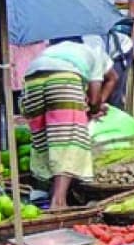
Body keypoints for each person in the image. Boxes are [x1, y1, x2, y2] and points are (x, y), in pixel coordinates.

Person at [22, 39, 119, 209]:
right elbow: (96, 97)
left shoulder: (60, 50)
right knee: (68, 140)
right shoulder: (97, 55)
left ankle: (43, 192)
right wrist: (95, 108)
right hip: (63, 77)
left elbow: (99, 93)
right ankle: (58, 202)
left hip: (33, 76)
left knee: (44, 137)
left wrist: (90, 107)